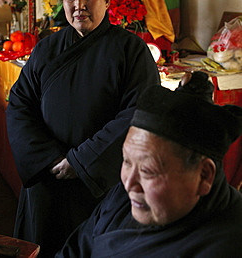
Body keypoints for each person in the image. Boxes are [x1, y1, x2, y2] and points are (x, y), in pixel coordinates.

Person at [6, 0, 160, 257]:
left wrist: (81, 161)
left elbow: (138, 113)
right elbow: (19, 104)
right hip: (47, 178)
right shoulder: (46, 48)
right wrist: (49, 158)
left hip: (98, 184)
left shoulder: (131, 50)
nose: (79, 4)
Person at [55, 72, 242, 257]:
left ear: (204, 175)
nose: (129, 183)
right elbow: (75, 249)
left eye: (148, 171)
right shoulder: (124, 196)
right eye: (126, 161)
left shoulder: (226, 246)